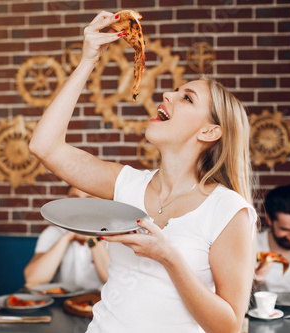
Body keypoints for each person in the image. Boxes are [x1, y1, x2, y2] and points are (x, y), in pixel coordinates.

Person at [29, 11, 257, 333]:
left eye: (186, 98)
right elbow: (45, 147)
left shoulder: (228, 211)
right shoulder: (126, 183)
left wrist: (169, 257)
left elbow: (229, 326)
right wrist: (87, 61)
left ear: (209, 132)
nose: (168, 95)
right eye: (175, 90)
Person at [24, 186, 109, 290]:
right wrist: (67, 236)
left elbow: (110, 280)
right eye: (75, 199)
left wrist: (91, 239)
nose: (81, 206)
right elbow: (33, 279)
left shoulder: (115, 235)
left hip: (102, 303)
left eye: (89, 199)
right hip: (63, 303)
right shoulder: (53, 233)